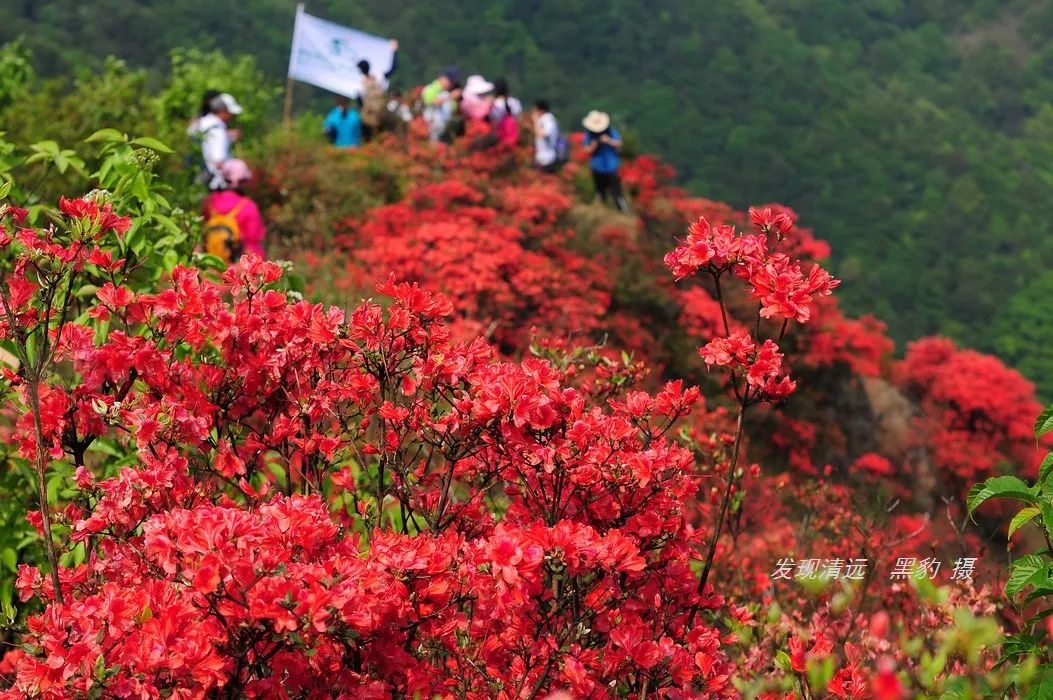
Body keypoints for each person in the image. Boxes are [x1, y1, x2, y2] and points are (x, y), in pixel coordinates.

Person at [202, 158, 266, 261]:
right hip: (238, 267)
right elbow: (254, 242)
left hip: (210, 263)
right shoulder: (248, 206)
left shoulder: (210, 202)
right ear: (244, 180)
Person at [193, 92, 243, 191]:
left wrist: (229, 136)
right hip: (216, 184)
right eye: (230, 113)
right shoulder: (218, 131)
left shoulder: (203, 124)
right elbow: (219, 160)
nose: (232, 116)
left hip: (200, 177)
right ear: (222, 111)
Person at [582, 110, 628, 212]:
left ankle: (622, 212)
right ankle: (603, 212)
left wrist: (608, 140)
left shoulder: (610, 131)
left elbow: (619, 143)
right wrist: (595, 144)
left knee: (616, 193)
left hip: (611, 167)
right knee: (600, 193)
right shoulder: (589, 134)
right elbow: (587, 149)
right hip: (597, 167)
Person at [357, 39, 399, 142]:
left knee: (367, 140)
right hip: (381, 115)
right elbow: (393, 68)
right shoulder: (379, 78)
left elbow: (360, 101)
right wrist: (394, 52)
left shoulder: (361, 84)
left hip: (367, 117)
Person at [422, 67, 461, 142]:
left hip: (445, 130)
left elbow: (454, 110)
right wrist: (451, 96)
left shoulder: (448, 92)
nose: (451, 84)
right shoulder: (430, 89)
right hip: (430, 128)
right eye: (450, 81)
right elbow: (432, 102)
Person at [489, 77, 521, 147]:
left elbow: (493, 122)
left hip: (498, 139)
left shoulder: (493, 104)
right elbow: (518, 120)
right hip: (513, 139)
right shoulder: (515, 102)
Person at [532, 100, 561, 172]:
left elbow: (542, 135)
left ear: (541, 110)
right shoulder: (544, 120)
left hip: (547, 159)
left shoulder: (548, 120)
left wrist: (535, 121)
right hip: (542, 158)